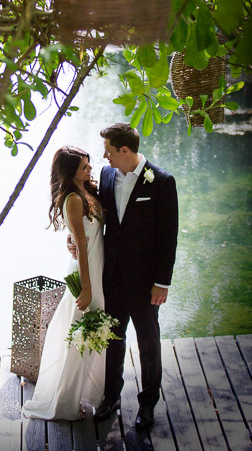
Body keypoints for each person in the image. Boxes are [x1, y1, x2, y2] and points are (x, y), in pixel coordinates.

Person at [79, 122, 178, 431]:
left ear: (124, 150)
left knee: (149, 342)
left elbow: (168, 236)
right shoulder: (108, 175)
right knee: (113, 339)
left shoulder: (161, 181)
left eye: (108, 151)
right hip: (113, 276)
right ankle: (112, 396)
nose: (104, 157)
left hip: (147, 282)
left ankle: (148, 404)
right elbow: (94, 212)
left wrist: (162, 282)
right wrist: (75, 236)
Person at [22, 145, 106, 420]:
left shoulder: (87, 191)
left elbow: (80, 236)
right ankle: (65, 403)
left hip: (95, 266)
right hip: (86, 272)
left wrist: (69, 238)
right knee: (79, 336)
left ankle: (83, 393)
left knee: (88, 334)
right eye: (84, 167)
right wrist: (87, 286)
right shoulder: (73, 199)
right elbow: (81, 243)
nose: (89, 169)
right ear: (71, 172)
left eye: (88, 164)